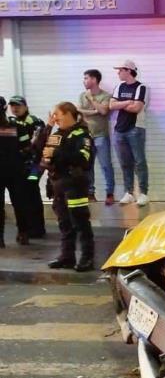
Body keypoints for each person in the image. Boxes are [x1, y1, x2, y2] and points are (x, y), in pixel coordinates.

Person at [34, 102, 95, 272]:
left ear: (68, 113)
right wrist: (48, 127)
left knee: (80, 222)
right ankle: (67, 257)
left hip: (74, 185)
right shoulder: (56, 134)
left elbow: (83, 160)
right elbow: (38, 149)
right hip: (57, 185)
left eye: (57, 114)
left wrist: (57, 153)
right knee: (64, 223)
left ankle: (87, 258)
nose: (54, 117)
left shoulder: (81, 135)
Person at [110, 60, 149, 207]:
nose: (118, 73)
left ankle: (143, 193)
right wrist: (128, 102)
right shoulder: (119, 86)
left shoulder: (141, 87)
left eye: (120, 70)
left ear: (128, 70)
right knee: (125, 163)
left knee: (139, 161)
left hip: (135, 128)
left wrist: (121, 103)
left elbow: (137, 108)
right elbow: (111, 105)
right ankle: (129, 192)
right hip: (119, 129)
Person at [8, 96, 46, 238]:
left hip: (34, 164)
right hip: (21, 166)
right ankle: (30, 227)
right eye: (12, 105)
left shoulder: (33, 121)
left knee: (32, 193)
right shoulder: (13, 123)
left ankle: (37, 228)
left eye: (17, 105)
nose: (15, 108)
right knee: (24, 195)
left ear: (25, 106)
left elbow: (37, 144)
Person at [78, 69, 113, 205]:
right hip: (87, 136)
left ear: (94, 80)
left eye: (86, 78)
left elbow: (104, 111)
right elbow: (79, 112)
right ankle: (90, 193)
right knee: (88, 166)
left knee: (105, 165)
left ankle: (109, 193)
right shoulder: (82, 95)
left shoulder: (105, 96)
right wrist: (94, 111)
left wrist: (92, 100)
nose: (84, 81)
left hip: (101, 135)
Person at [0, 96, 30, 247]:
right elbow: (26, 147)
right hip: (15, 170)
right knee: (19, 203)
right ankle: (23, 233)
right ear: (5, 108)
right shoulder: (17, 125)